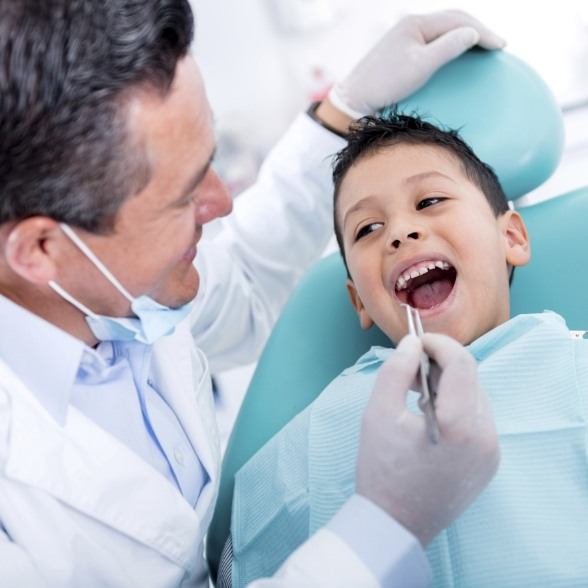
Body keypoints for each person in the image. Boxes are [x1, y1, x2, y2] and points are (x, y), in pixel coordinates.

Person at [0, 3, 504, 587]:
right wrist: (385, 528)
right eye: (184, 196)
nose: (222, 202)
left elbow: (240, 275)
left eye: (209, 161)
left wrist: (344, 111)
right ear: (39, 249)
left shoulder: (119, 286)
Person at [229, 114, 588, 587]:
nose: (400, 232)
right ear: (359, 300)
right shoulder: (316, 432)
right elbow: (245, 559)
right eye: (367, 229)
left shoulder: (575, 366)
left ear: (512, 237)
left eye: (430, 200)